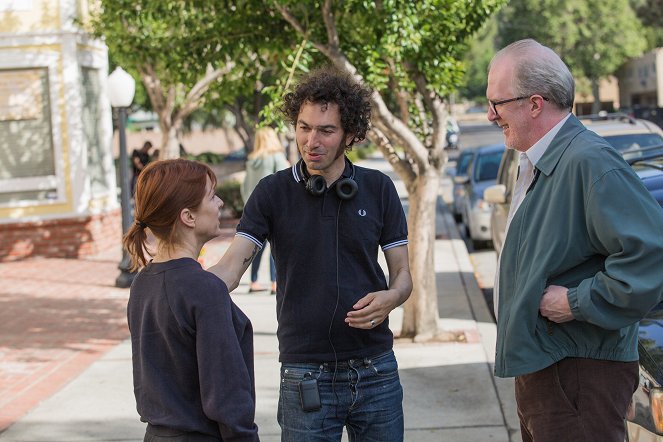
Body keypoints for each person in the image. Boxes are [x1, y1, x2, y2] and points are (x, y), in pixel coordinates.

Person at [209, 67, 412, 441]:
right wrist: (184, 285)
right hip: (305, 374)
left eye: (325, 130)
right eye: (303, 127)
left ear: (350, 134)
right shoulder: (271, 193)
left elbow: (402, 275)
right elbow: (233, 264)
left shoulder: (379, 189)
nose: (310, 140)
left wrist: (393, 297)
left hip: (376, 370)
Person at [487, 39, 663, 442]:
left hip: (579, 374)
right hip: (551, 370)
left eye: (497, 103)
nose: (489, 114)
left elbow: (652, 255)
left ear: (534, 104)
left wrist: (574, 302)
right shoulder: (541, 160)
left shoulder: (589, 161)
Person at [123, 159, 259, 442]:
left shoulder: (142, 283)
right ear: (188, 217)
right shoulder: (204, 289)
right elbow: (226, 395)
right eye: (211, 196)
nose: (220, 202)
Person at [241, 127, 290, 294]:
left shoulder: (251, 160)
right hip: (276, 208)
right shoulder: (276, 156)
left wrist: (249, 206)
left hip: (254, 208)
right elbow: (287, 179)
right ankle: (274, 282)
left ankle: (253, 281)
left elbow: (245, 186)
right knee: (275, 247)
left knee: (256, 247)